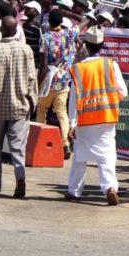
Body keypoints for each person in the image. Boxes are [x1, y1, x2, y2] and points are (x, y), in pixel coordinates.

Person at [65, 27, 128, 205]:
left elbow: (73, 100)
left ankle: (74, 191)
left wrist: (72, 123)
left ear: (86, 45)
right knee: (107, 155)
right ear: (102, 45)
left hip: (85, 119)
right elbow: (123, 91)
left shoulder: (78, 69)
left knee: (79, 156)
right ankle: (110, 188)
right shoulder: (111, 64)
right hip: (106, 117)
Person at [0, 16, 38, 198]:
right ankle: (20, 177)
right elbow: (31, 79)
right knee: (18, 147)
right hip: (20, 107)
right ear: (16, 31)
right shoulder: (26, 50)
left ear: (1, 31)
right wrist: (32, 102)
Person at [37, 9, 81, 160]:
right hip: (64, 80)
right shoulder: (69, 34)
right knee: (62, 112)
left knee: (42, 109)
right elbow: (82, 20)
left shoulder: (45, 38)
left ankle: (39, 141)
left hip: (48, 81)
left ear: (49, 21)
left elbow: (43, 65)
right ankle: (65, 144)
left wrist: (38, 83)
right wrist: (69, 14)